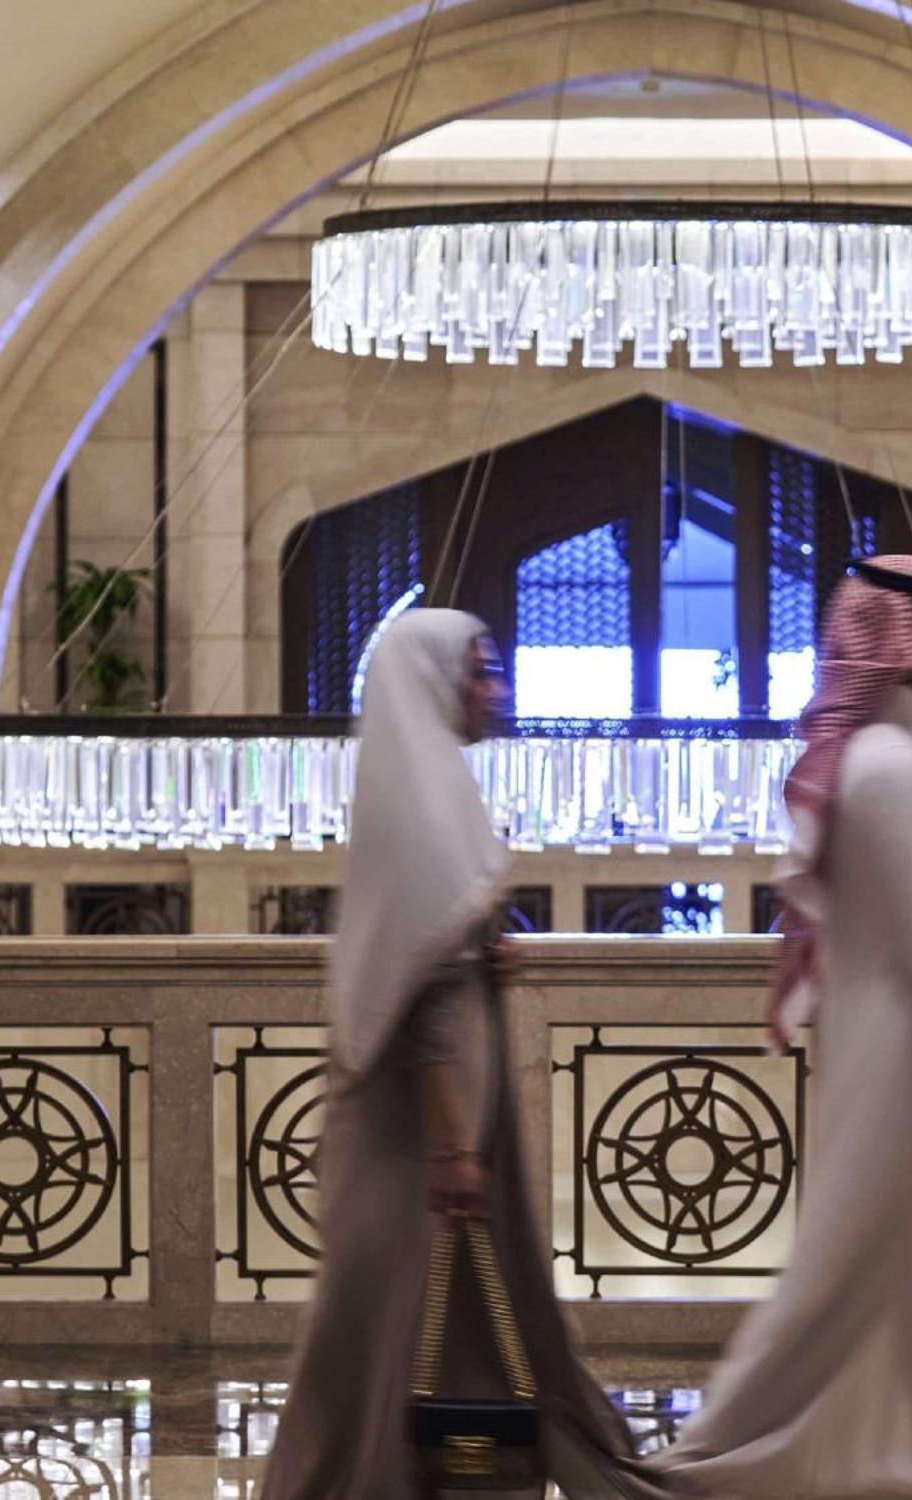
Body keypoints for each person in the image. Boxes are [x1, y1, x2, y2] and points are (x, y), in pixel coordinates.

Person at [651, 555, 912, 1500]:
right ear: (903, 639)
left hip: (907, 1063)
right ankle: (717, 1456)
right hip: (893, 1063)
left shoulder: (896, 762)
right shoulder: (880, 771)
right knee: (844, 1269)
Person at [262, 608, 657, 1500]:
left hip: (448, 1114)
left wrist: (488, 947)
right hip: (424, 1123)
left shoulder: (429, 789)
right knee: (388, 1300)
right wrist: (454, 1147)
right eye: (479, 673)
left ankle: (435, 1465)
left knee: (434, 1302)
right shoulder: (424, 807)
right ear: (433, 684)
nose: (495, 691)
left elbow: (440, 947)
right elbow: (432, 994)